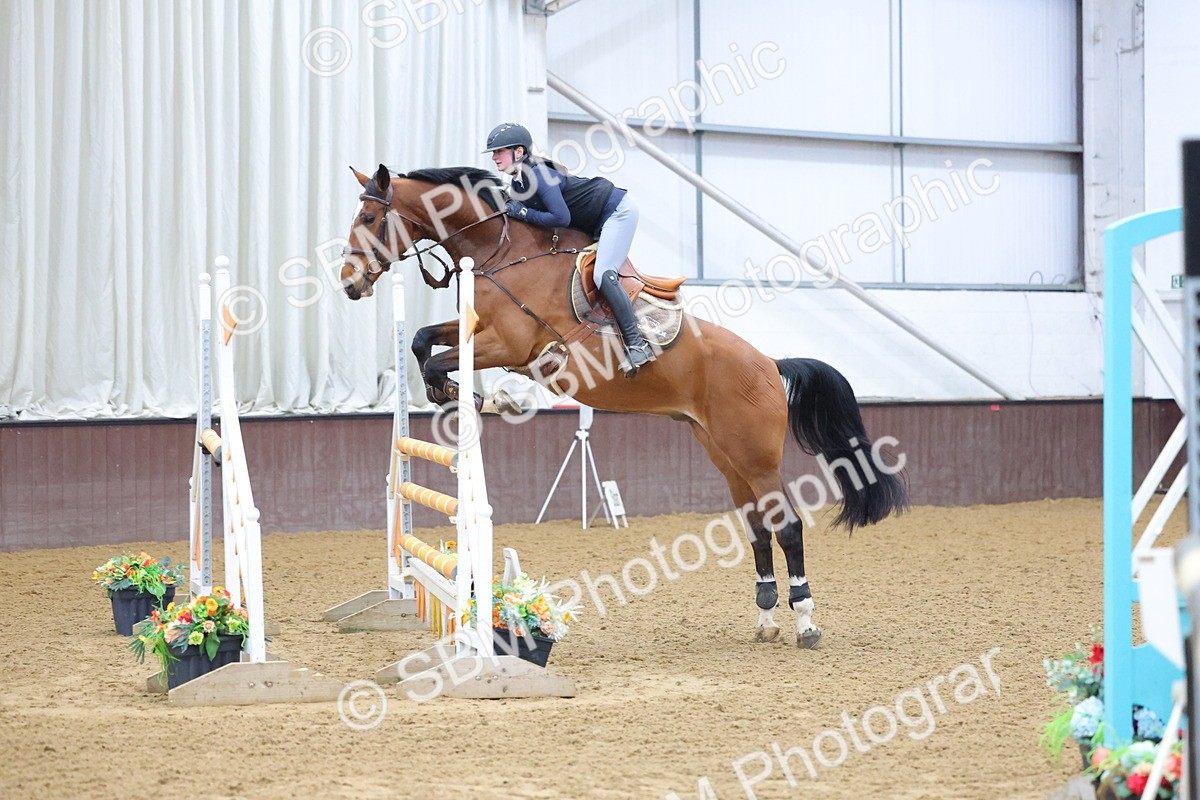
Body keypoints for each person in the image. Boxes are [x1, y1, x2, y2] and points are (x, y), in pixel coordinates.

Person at [483, 122, 656, 376]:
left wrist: (523, 212)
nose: (494, 157)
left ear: (519, 152)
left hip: (616, 211)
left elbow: (560, 217)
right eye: (493, 153)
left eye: (499, 151)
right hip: (595, 219)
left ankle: (637, 344)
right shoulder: (519, 183)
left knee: (602, 274)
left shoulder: (538, 173)